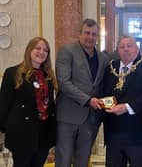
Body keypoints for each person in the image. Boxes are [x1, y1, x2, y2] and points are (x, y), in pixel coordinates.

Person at [55, 18, 108, 167]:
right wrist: (88, 100)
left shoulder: (103, 58)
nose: (90, 37)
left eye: (94, 34)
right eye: (87, 33)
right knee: (64, 159)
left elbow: (102, 86)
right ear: (79, 33)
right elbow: (64, 82)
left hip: (91, 119)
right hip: (68, 116)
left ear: (97, 37)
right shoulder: (66, 51)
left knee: (83, 160)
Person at [102, 34, 142, 167]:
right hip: (114, 133)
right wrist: (106, 106)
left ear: (137, 49)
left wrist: (127, 107)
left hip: (138, 134)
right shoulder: (110, 67)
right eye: (122, 46)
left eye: (129, 46)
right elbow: (104, 92)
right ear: (118, 50)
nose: (126, 49)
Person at [0, 37, 57, 167]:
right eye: (38, 48)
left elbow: (50, 104)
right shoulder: (13, 73)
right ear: (29, 50)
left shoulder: (48, 75)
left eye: (45, 50)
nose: (41, 52)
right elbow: (4, 103)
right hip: (22, 132)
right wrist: (3, 128)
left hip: (43, 133)